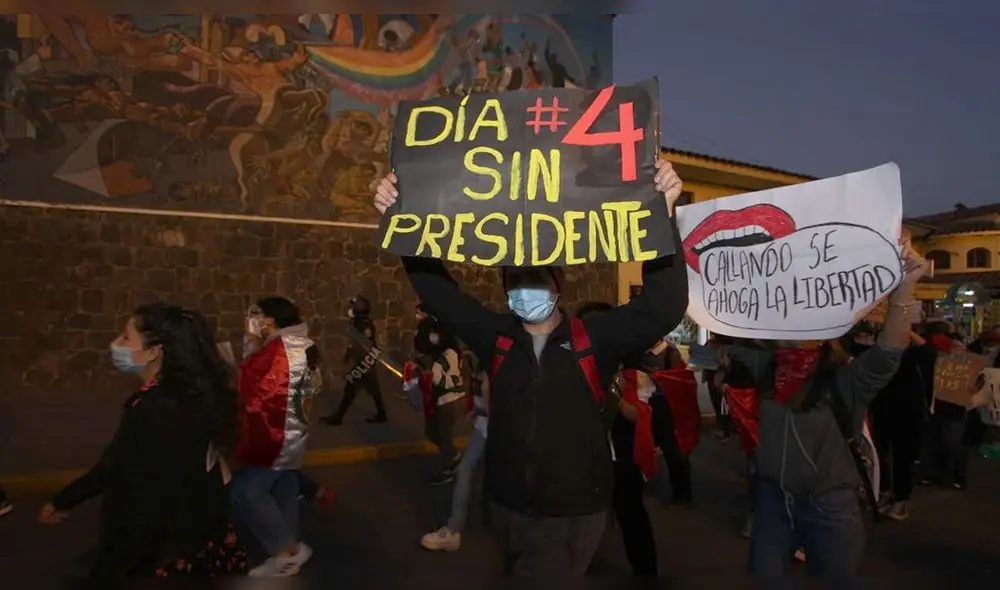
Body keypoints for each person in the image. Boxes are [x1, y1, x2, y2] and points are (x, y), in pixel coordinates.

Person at [372, 159, 687, 577]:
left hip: (571, 512)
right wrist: (403, 218)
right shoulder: (496, 336)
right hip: (505, 506)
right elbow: (438, 292)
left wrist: (660, 213)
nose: (524, 289)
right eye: (514, 281)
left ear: (559, 286)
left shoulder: (594, 337)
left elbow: (663, 305)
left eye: (536, 279)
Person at [719, 245, 926, 577]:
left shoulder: (844, 380)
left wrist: (905, 287)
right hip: (773, 501)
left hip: (829, 506)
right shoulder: (767, 367)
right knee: (765, 577)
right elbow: (724, 339)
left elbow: (889, 352)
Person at [38, 303, 245, 577]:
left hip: (158, 546)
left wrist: (62, 501)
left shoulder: (155, 407)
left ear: (152, 352)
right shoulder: (189, 396)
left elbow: (114, 466)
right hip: (193, 538)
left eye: (126, 337)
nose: (115, 343)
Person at [232, 297, 320, 577]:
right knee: (284, 488)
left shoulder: (282, 349)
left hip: (277, 434)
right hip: (295, 430)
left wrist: (249, 341)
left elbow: (252, 381)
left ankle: (288, 550)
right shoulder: (302, 343)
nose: (252, 317)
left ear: (270, 320)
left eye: (256, 313)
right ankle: (286, 555)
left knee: (246, 492)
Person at [420, 352, 489, 552]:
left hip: (499, 430)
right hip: (483, 427)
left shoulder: (497, 355)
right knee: (465, 471)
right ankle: (453, 530)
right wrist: (476, 409)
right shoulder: (477, 359)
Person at [870, 330, 935, 521]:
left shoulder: (912, 356)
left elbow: (929, 351)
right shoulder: (876, 356)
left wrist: (905, 329)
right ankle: (885, 493)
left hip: (908, 414)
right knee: (881, 456)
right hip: (882, 411)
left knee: (903, 459)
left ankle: (900, 501)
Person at [920, 322, 971, 489]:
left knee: (952, 441)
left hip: (951, 403)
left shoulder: (953, 347)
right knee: (935, 440)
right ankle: (937, 473)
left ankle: (956, 474)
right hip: (936, 403)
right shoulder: (931, 349)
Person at [324, 295, 388, 425]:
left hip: (363, 363)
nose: (351, 309)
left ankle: (337, 418)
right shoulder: (359, 322)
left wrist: (358, 361)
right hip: (365, 363)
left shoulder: (362, 323)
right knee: (371, 389)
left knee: (351, 390)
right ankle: (381, 414)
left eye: (353, 307)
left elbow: (363, 344)